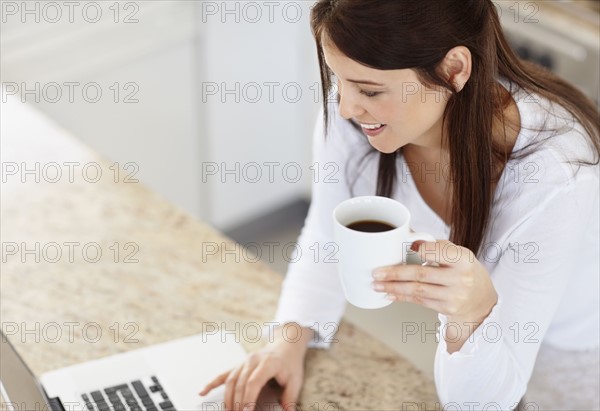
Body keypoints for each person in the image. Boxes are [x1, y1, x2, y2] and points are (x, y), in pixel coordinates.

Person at [200, 1, 600, 409]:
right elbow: (327, 236)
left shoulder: (553, 172)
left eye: (370, 90)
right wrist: (286, 343)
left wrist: (471, 314)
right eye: (340, 81)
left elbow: (478, 403)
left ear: (454, 70)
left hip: (576, 349)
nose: (346, 109)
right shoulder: (356, 120)